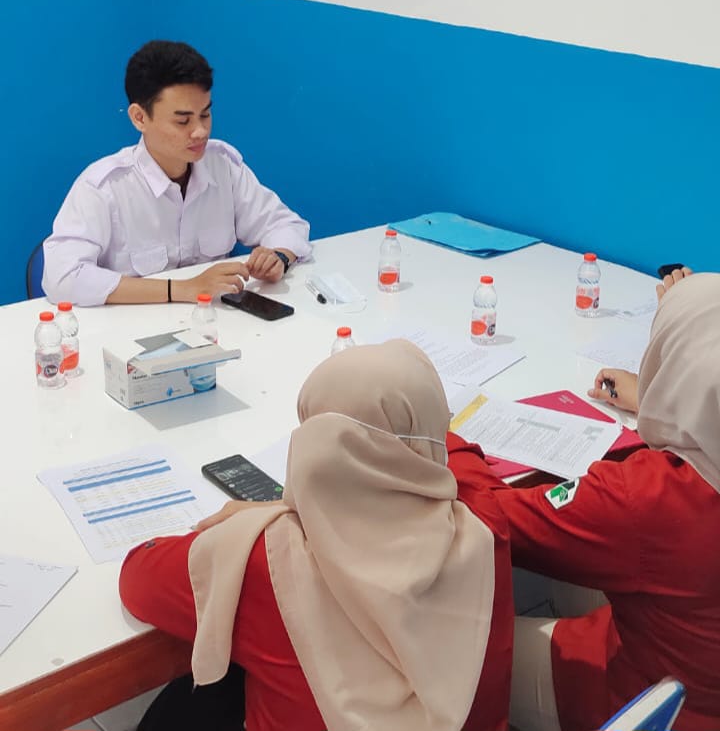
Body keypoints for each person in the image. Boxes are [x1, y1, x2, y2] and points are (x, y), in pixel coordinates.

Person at [120, 339, 513, 731]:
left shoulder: (270, 558)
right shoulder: (483, 523)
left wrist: (271, 514)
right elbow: (448, 450)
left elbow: (139, 577)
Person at [447, 271, 720, 731]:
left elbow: (496, 518)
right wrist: (656, 399)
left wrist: (442, 435)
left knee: (457, 650)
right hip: (699, 670)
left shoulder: (649, 497)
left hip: (650, 698)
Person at [43, 40, 311, 306]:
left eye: (205, 115)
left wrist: (279, 256)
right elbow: (61, 277)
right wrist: (182, 289)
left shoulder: (222, 166)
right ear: (139, 118)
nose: (200, 132)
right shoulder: (104, 187)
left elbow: (286, 225)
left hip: (215, 320)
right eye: (183, 121)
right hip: (132, 325)